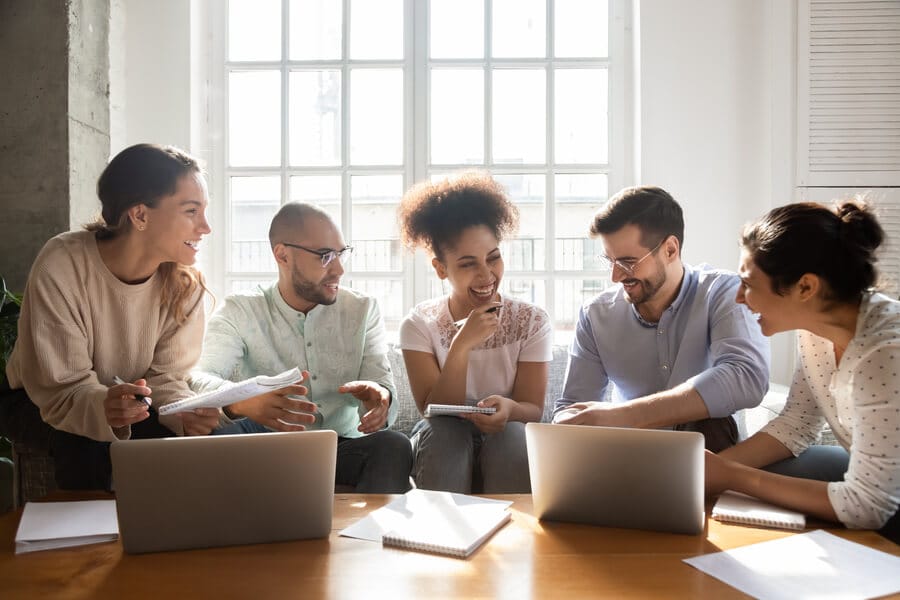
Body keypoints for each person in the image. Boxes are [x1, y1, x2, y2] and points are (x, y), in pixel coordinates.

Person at [0, 143, 221, 490]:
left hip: (130, 400)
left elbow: (166, 380)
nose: (205, 227)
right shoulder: (62, 263)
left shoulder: (185, 285)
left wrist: (184, 412)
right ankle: (84, 543)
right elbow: (63, 386)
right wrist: (106, 407)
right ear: (140, 215)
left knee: (176, 443)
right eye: (192, 211)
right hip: (37, 396)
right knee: (84, 443)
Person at [705, 201, 900, 542]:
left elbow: (869, 505)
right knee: (764, 471)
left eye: (748, 283)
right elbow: (797, 424)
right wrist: (706, 471)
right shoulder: (813, 329)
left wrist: (732, 475)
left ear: (806, 288)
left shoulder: (884, 353)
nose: (739, 298)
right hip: (876, 473)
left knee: (751, 480)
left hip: (884, 495)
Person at [190, 202, 412, 493]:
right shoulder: (241, 310)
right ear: (282, 255)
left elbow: (381, 388)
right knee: (219, 435)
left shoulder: (363, 309)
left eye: (341, 253)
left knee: (393, 445)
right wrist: (240, 403)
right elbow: (197, 379)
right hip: (265, 448)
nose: (339, 269)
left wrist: (381, 401)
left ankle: (365, 535)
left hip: (340, 447)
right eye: (325, 256)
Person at [554, 185, 770, 452]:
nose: (615, 277)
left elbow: (746, 376)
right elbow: (571, 408)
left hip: (706, 455)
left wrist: (624, 415)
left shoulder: (723, 293)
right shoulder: (596, 315)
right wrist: (569, 421)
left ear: (670, 249)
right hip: (624, 454)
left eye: (627, 262)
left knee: (707, 424)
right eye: (609, 261)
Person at [397, 173, 553, 494]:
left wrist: (510, 409)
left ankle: (514, 540)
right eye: (468, 264)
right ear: (441, 269)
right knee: (445, 433)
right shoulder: (419, 324)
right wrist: (461, 345)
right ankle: (441, 538)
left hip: (506, 436)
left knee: (511, 433)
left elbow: (532, 409)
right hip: (442, 438)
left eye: (493, 258)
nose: (487, 275)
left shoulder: (531, 322)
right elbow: (434, 409)